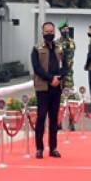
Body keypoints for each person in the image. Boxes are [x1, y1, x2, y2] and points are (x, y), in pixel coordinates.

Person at [30, 21, 67, 158]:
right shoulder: (36, 48)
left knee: (53, 119)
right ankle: (39, 148)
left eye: (51, 32)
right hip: (43, 87)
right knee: (41, 117)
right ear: (42, 32)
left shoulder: (60, 48)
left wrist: (59, 78)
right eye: (47, 32)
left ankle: (53, 148)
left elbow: (66, 66)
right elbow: (37, 68)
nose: (49, 34)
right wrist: (51, 79)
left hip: (56, 88)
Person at [58, 20, 77, 131]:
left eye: (67, 29)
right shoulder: (56, 42)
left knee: (69, 99)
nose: (65, 31)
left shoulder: (71, 42)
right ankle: (59, 122)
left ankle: (71, 122)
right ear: (60, 31)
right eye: (63, 29)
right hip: (58, 74)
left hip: (68, 74)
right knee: (59, 100)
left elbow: (69, 56)